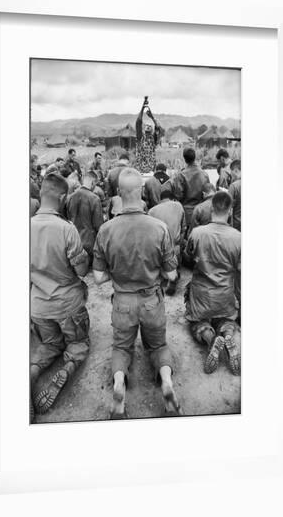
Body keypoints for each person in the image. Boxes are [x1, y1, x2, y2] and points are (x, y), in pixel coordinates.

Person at [93, 167, 182, 419]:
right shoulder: (159, 227)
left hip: (122, 302)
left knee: (121, 348)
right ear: (141, 191)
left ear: (119, 194)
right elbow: (172, 275)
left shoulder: (106, 230)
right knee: (158, 345)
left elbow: (98, 278)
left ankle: (119, 385)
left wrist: (118, 274)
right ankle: (166, 382)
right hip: (151, 301)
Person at [30, 173, 90, 416]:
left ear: (41, 194)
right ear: (63, 197)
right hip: (68, 305)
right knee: (78, 343)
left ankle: (32, 372)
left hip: (38, 308)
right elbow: (82, 270)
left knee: (49, 345)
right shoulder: (67, 229)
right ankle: (67, 369)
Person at [185, 191, 241, 376]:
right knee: (227, 321)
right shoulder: (238, 237)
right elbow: (240, 270)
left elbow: (189, 257)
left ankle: (211, 340)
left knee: (197, 322)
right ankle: (227, 336)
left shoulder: (197, 233)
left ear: (211, 208)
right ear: (230, 211)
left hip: (202, 294)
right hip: (225, 295)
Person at [149, 186, 186, 295]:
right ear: (171, 198)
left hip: (159, 247)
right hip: (175, 247)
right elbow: (184, 227)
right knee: (176, 255)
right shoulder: (178, 206)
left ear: (161, 199)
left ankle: (163, 276)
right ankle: (173, 276)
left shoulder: (152, 211)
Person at [67, 171, 104, 264]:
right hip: (90, 243)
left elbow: (67, 219)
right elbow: (98, 225)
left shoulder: (71, 197)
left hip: (73, 241)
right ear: (93, 183)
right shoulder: (94, 198)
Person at [172, 147, 210, 229]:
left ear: (184, 159)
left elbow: (178, 195)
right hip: (202, 211)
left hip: (187, 213)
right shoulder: (204, 174)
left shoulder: (181, 175)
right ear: (195, 157)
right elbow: (208, 193)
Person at [135, 100, 162, 173]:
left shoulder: (154, 139)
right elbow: (138, 123)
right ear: (144, 128)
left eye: (150, 125)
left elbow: (158, 128)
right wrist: (142, 108)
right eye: (147, 125)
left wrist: (152, 117)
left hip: (151, 169)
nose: (148, 126)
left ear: (152, 129)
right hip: (140, 169)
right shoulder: (140, 137)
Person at [228, 159, 241, 231]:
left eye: (231, 171)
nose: (230, 174)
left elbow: (228, 210)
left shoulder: (234, 186)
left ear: (235, 170)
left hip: (237, 226)